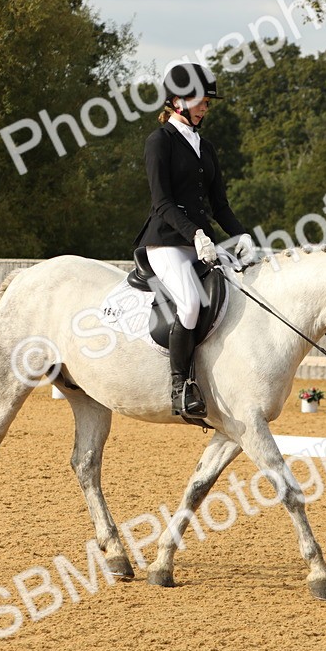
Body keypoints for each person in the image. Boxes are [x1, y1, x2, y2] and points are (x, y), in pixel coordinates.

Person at [134, 63, 257, 417]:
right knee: (189, 303)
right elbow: (162, 202)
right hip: (167, 243)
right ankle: (180, 385)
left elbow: (220, 206)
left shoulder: (206, 147)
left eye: (206, 102)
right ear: (177, 101)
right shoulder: (160, 141)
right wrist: (195, 233)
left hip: (202, 243)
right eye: (200, 101)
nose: (205, 107)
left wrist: (242, 235)